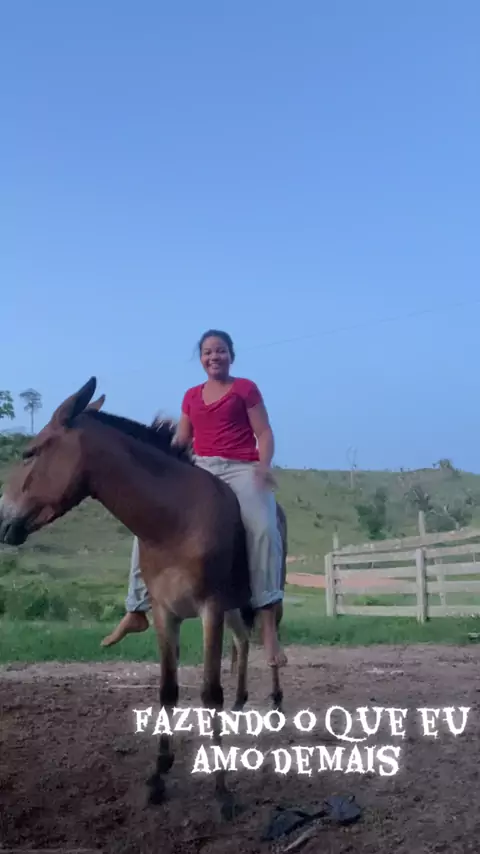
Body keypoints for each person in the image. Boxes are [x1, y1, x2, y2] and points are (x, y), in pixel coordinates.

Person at [101, 329, 287, 668]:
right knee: (148, 526)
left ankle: (267, 621)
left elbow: (264, 432)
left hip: (241, 468)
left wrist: (263, 466)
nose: (214, 356)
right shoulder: (191, 396)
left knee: (264, 528)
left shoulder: (245, 389)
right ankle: (136, 608)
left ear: (232, 355)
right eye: (207, 352)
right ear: (200, 359)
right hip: (201, 469)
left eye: (220, 350)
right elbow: (182, 441)